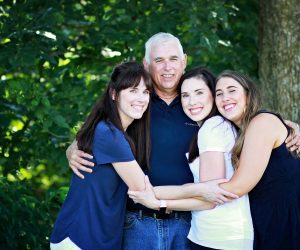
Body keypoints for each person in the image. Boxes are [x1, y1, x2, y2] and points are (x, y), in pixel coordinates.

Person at [66, 33, 300, 249]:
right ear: (147, 65)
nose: (167, 67)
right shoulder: (137, 101)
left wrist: (287, 126)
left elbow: (241, 112)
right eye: (159, 60)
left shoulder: (202, 105)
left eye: (174, 58)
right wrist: (73, 148)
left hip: (188, 225)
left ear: (184, 60)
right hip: (138, 223)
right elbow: (100, 128)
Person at [129, 68, 254, 250]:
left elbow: (209, 199)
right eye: (185, 95)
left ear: (213, 94)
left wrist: (157, 202)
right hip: (215, 234)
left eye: (199, 93)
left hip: (221, 236)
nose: (191, 101)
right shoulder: (215, 127)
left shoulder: (213, 128)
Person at [50, 61, 159, 249]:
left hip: (98, 239)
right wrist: (200, 191)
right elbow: (141, 190)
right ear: (114, 94)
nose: (141, 98)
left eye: (145, 92)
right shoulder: (108, 134)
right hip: (79, 238)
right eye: (133, 90)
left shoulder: (116, 131)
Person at [214, 71, 300, 250]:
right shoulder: (236, 132)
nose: (225, 97)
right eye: (219, 93)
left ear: (248, 95)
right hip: (268, 222)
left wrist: (172, 195)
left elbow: (237, 187)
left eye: (232, 90)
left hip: (288, 224)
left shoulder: (262, 122)